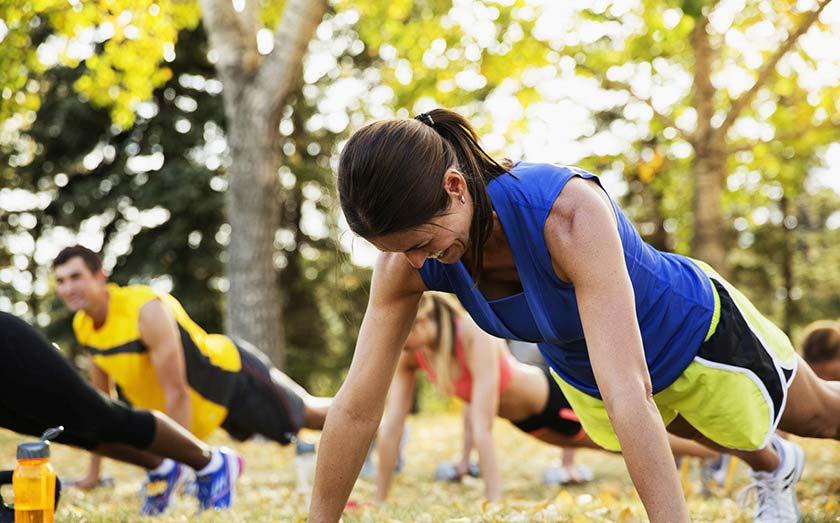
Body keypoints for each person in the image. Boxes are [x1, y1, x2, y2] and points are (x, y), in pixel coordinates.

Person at [310, 108, 840, 523]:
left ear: (454, 187)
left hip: (691, 332)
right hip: (589, 373)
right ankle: (775, 468)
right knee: (707, 433)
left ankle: (777, 457)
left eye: (424, 243)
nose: (416, 264)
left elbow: (629, 390)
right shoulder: (405, 261)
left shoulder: (566, 214)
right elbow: (356, 407)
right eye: (399, 251)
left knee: (821, 418)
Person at [376, 293, 717, 502]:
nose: (397, 341)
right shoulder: (414, 353)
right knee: (620, 447)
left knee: (630, 443)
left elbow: (482, 425)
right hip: (529, 422)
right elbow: (392, 426)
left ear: (421, 320)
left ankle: (720, 450)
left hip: (554, 403)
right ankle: (714, 452)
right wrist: (381, 497)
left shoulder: (471, 332)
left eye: (402, 330)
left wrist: (493, 501)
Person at [51, 246, 329, 497]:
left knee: (310, 415)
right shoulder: (83, 326)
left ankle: (365, 418)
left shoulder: (145, 310)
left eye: (76, 277)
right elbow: (102, 401)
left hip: (230, 376)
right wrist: (93, 475)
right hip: (202, 409)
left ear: (100, 276)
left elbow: (177, 391)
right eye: (61, 281)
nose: (68, 288)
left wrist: (181, 469)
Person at [0, 311, 240, 515]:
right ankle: (163, 467)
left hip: (7, 346)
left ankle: (212, 462)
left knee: (98, 415)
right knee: (68, 432)